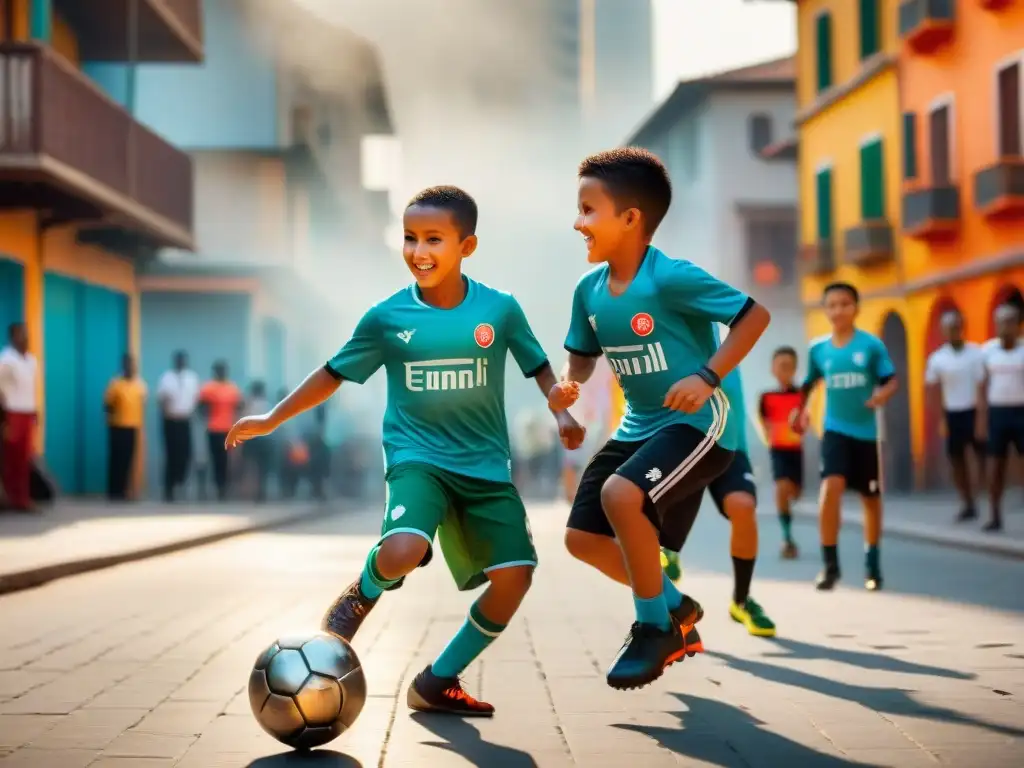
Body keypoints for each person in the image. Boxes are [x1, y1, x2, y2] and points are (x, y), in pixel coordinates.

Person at [225, 186, 583, 716]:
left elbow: (539, 368)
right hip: (418, 457)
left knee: (516, 577)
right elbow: (332, 374)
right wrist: (273, 418)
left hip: (485, 465)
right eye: (410, 238)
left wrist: (560, 410)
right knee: (403, 548)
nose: (419, 251)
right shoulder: (386, 318)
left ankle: (439, 681)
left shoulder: (501, 310)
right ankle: (360, 594)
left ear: (468, 245)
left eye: (433, 239)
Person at [552, 148, 771, 691]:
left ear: (631, 219)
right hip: (639, 426)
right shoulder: (589, 291)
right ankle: (677, 606)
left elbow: (753, 317)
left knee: (621, 496)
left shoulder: (671, 277)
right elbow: (582, 355)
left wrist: (707, 377)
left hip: (701, 427)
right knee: (582, 539)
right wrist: (569, 386)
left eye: (588, 210)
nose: (577, 222)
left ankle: (655, 627)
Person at [792, 282, 898, 592]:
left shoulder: (871, 346)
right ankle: (830, 566)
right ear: (825, 310)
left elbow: (891, 380)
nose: (838, 310)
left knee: (871, 499)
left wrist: (880, 396)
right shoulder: (818, 349)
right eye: (832, 305)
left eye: (845, 304)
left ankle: (873, 563)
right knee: (831, 488)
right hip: (834, 430)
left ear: (856, 308)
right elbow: (807, 385)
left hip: (865, 433)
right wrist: (800, 411)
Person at [661, 367, 776, 641]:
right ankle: (667, 558)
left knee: (743, 506)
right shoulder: (671, 350)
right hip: (684, 451)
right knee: (663, 532)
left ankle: (742, 600)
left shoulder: (730, 353)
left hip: (729, 449)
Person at [924, 310, 985, 522]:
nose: (952, 331)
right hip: (952, 412)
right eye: (947, 328)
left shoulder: (976, 353)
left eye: (956, 327)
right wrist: (940, 419)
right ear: (943, 331)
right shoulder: (938, 358)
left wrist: (981, 419)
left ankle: (983, 497)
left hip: (973, 410)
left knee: (982, 457)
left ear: (962, 328)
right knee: (956, 460)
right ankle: (967, 502)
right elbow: (933, 390)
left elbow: (982, 385)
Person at [978, 303, 1024, 533]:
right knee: (995, 467)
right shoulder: (987, 352)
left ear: (1018, 325)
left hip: (1021, 412)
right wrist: (981, 419)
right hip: (997, 413)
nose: (1004, 327)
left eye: (1009, 322)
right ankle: (994, 516)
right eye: (1000, 322)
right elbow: (982, 386)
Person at [759, 346, 804, 558]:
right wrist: (769, 437)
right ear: (772, 369)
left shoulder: (802, 395)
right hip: (778, 450)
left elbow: (808, 420)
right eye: (781, 366)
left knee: (794, 492)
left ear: (795, 369)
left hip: (796, 451)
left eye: (789, 366)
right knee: (782, 487)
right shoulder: (766, 397)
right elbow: (763, 420)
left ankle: (788, 526)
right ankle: (787, 537)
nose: (785, 370)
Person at [561, 356, 614, 503]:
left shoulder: (607, 354)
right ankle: (574, 496)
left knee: (597, 453)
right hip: (584, 410)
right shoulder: (580, 352)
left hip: (603, 410)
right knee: (575, 456)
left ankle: (584, 495)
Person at [0, 322, 38, 511]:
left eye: (26, 333)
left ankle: (22, 499)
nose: (25, 338)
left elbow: (30, 388)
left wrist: (35, 411)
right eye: (21, 334)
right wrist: (3, 417)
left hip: (27, 412)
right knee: (11, 458)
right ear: (12, 337)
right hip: (12, 412)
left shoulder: (32, 360)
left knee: (25, 459)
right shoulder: (6, 359)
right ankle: (10, 499)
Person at [156, 351, 200, 501]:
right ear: (174, 361)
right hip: (170, 421)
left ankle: (181, 484)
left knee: (185, 454)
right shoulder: (166, 378)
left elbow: (195, 399)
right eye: (179, 360)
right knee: (171, 455)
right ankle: (169, 489)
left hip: (185, 421)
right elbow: (161, 400)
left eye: (183, 360)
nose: (181, 363)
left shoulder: (192, 377)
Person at [104, 353, 147, 501]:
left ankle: (125, 491)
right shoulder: (115, 384)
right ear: (123, 366)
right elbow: (107, 405)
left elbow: (142, 404)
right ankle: (113, 491)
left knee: (128, 460)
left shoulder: (139, 384)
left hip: (132, 427)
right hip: (117, 427)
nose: (131, 367)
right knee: (116, 460)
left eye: (133, 364)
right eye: (128, 364)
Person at [198, 361, 242, 501]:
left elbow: (240, 406)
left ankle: (222, 488)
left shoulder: (232, 388)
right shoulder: (208, 388)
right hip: (213, 429)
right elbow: (200, 407)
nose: (222, 372)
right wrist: (206, 416)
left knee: (225, 460)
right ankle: (210, 487)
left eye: (223, 370)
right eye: (219, 370)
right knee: (212, 459)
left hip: (228, 430)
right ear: (215, 372)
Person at [241, 381, 272, 502]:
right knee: (263, 468)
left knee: (251, 467)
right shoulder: (268, 405)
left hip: (252, 440)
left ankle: (252, 492)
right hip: (265, 440)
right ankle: (261, 492)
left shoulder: (248, 405)